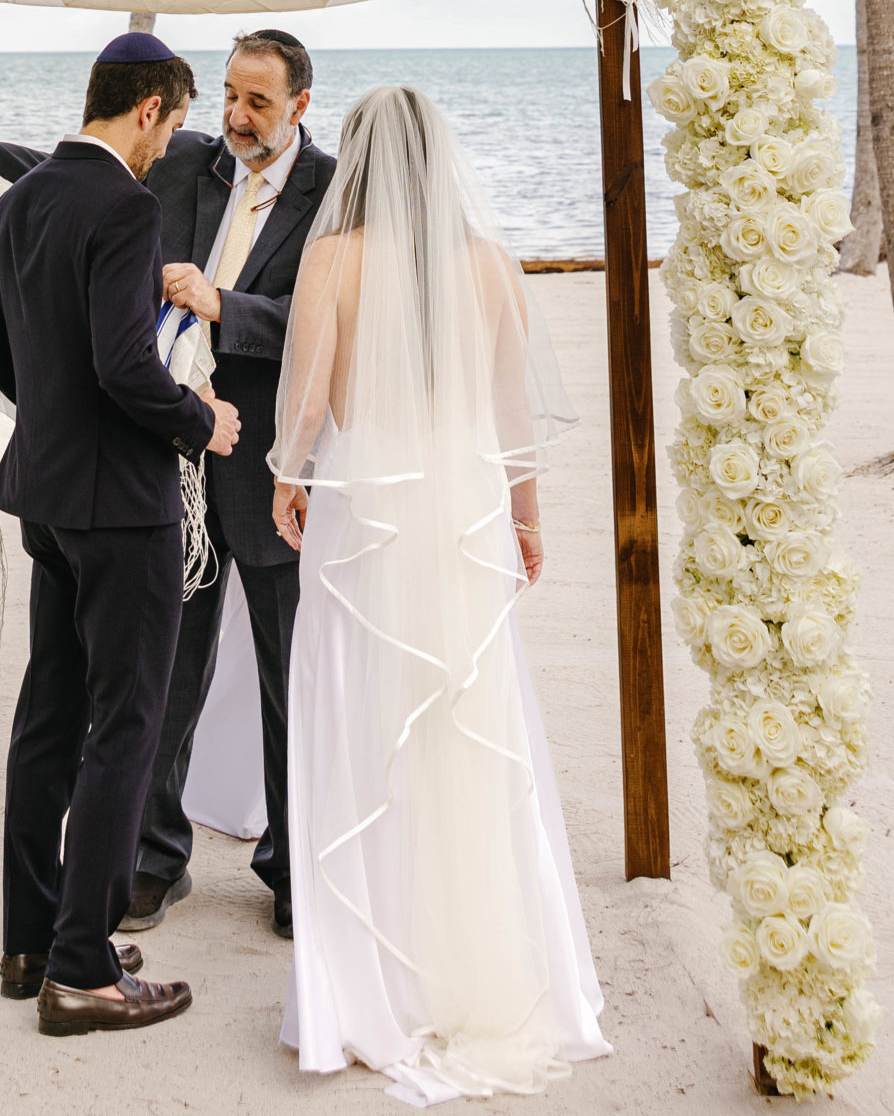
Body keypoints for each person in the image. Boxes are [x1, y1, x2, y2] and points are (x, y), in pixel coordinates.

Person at [0, 29, 336, 943]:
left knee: (289, 675)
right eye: (229, 96)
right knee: (160, 679)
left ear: (301, 109)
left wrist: (224, 308)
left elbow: (336, 314)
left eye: (257, 103)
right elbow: (63, 171)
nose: (235, 117)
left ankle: (288, 868)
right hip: (159, 460)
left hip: (273, 461)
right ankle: (152, 861)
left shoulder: (331, 192)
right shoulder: (181, 159)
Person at [270, 86, 611, 1102]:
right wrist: (527, 517)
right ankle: (479, 968)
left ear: (362, 159)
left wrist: (288, 478)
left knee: (358, 725)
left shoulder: (334, 257)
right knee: (467, 723)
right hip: (461, 504)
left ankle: (368, 983)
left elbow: (311, 394)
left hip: (367, 504)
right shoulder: (493, 263)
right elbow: (511, 413)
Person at [0, 33, 242, 1040]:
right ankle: (82, 971)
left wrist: (56, 412)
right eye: (173, 120)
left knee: (50, 711)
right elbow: (127, 367)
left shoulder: (20, 199)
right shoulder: (125, 206)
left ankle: (30, 939)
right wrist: (202, 419)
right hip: (123, 503)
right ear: (152, 107)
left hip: (47, 497)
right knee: (127, 722)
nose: (169, 146)